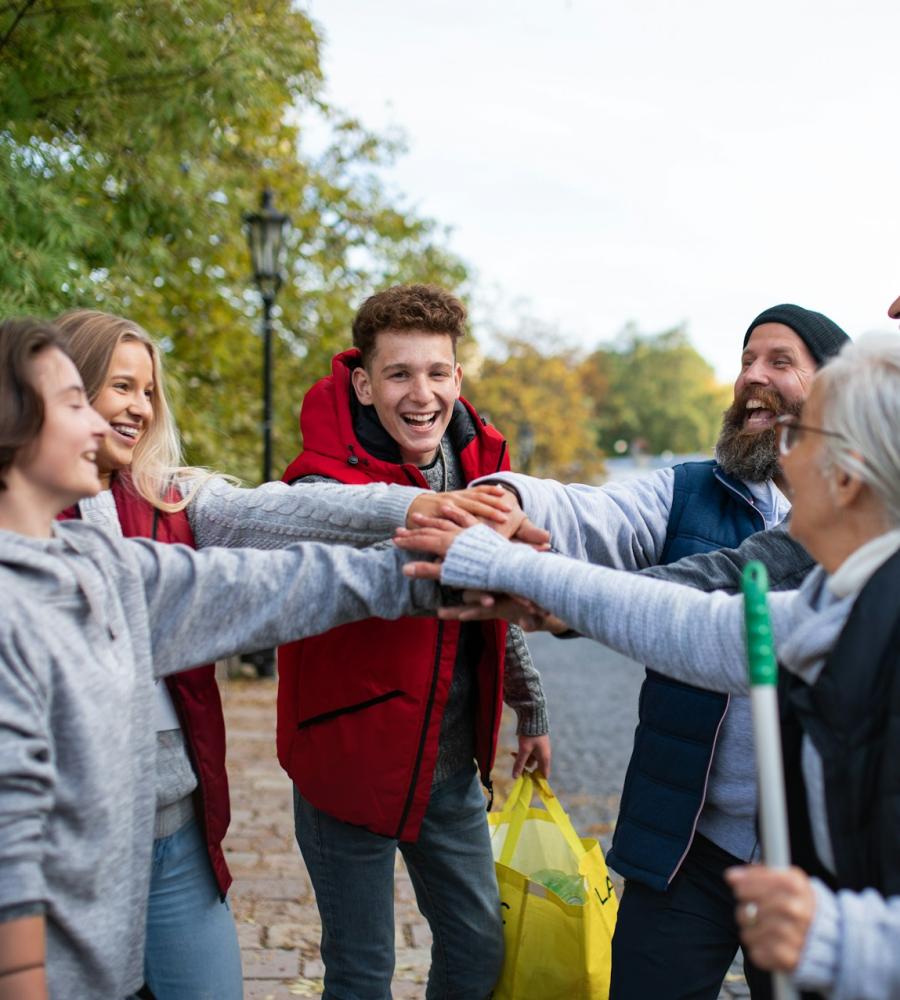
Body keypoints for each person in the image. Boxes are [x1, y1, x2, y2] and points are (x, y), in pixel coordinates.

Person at [397, 327, 900, 1000]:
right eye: (747, 357)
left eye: (799, 436)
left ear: (846, 473)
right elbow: (689, 624)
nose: (787, 453)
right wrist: (515, 541)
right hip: (696, 856)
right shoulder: (834, 600)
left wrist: (846, 941)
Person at [0, 316, 446, 1000]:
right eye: (100, 393)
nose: (128, 412)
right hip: (69, 863)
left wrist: (439, 537)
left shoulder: (143, 524)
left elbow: (278, 574)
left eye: (147, 391)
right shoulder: (35, 578)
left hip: (175, 829)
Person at [277, 284, 550, 999]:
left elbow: (492, 605)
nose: (420, 392)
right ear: (364, 385)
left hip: (448, 764)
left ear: (458, 380)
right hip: (347, 763)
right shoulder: (319, 484)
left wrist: (532, 708)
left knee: (477, 946)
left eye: (436, 373)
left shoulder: (488, 474)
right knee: (363, 971)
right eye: (399, 374)